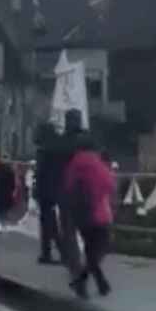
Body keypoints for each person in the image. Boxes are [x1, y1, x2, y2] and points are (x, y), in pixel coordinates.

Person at [63, 134, 114, 299]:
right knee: (99, 250)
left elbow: (68, 187)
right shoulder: (98, 164)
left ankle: (95, 283)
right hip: (99, 213)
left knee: (91, 249)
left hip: (81, 215)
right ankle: (87, 282)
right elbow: (110, 185)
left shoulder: (74, 164)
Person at [56, 109, 86, 281]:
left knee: (68, 230)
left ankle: (74, 264)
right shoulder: (87, 141)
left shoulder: (62, 142)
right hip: (86, 191)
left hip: (67, 191)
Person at [33, 123, 63, 265]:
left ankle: (55, 252)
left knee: (48, 223)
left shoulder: (44, 150)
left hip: (45, 189)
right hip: (54, 188)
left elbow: (40, 171)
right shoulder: (57, 147)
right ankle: (49, 253)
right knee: (49, 223)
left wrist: (36, 188)